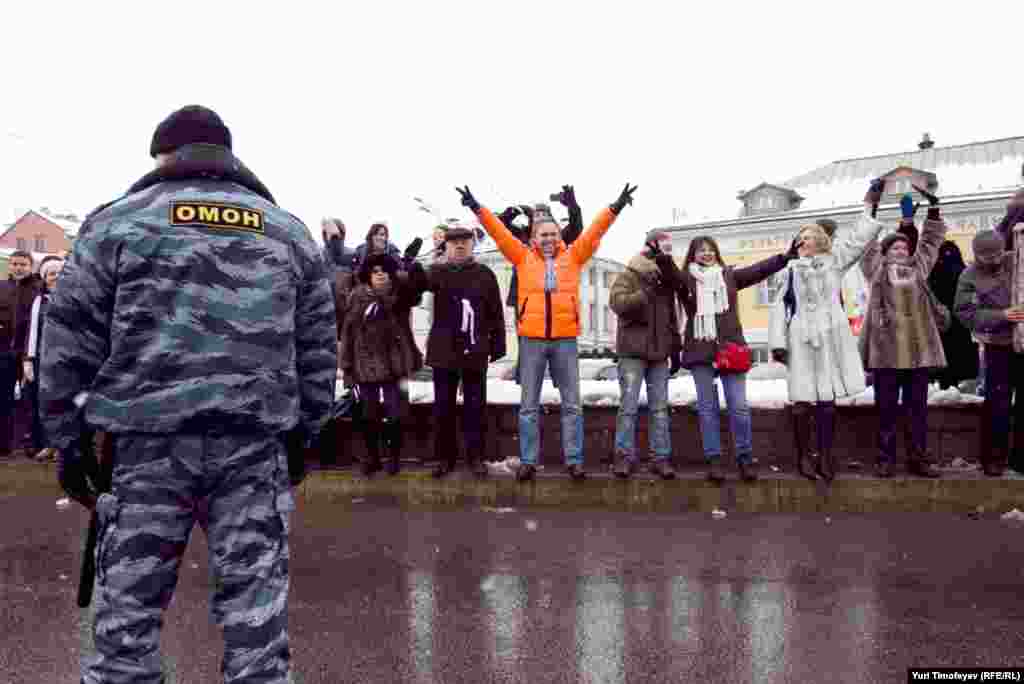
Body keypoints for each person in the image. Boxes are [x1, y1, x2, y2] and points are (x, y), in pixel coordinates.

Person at [42, 105, 338, 683]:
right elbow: (318, 348)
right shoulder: (287, 232)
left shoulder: (116, 225)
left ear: (163, 157)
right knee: (257, 631)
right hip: (253, 449)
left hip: (147, 450)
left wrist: (67, 441)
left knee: (126, 630)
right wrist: (305, 433)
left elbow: (67, 341)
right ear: (228, 158)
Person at [457, 183, 636, 482]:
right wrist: (476, 207)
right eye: (544, 234)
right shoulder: (522, 257)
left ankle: (574, 460)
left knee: (572, 404)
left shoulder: (574, 257)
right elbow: (499, 233)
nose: (549, 238)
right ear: (534, 238)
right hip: (532, 340)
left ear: (559, 236)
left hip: (565, 339)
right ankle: (528, 460)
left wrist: (614, 207)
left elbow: (594, 232)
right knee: (529, 405)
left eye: (553, 233)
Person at [770, 179, 888, 482]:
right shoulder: (789, 271)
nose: (805, 240)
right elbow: (778, 309)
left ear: (821, 241)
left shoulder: (834, 263)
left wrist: (869, 206)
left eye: (810, 236)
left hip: (829, 337)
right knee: (801, 402)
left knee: (826, 402)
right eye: (801, 237)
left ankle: (825, 454)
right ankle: (803, 457)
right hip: (799, 339)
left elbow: (858, 240)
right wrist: (777, 344)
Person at [661, 233, 796, 482]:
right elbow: (669, 273)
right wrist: (662, 256)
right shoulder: (686, 280)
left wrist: (784, 258)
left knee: (739, 407)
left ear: (716, 253)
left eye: (710, 249)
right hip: (701, 350)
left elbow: (758, 271)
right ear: (692, 254)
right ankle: (714, 460)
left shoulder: (729, 276)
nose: (706, 253)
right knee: (707, 409)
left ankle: (745, 458)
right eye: (700, 250)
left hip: (730, 349)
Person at [859, 183, 948, 479]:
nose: (901, 249)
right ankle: (885, 459)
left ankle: (918, 458)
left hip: (917, 354)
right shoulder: (877, 271)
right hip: (886, 355)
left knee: (917, 411)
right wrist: (872, 205)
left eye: (904, 246)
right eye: (895, 246)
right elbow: (865, 244)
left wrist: (933, 208)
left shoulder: (918, 269)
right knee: (886, 411)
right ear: (885, 252)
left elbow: (931, 243)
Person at [408, 225, 506, 478]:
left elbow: (495, 311)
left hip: (475, 349)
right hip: (444, 350)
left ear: (472, 245)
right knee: (443, 408)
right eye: (454, 242)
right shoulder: (437, 272)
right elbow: (415, 287)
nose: (460, 246)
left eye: (464, 241)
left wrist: (497, 345)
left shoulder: (485, 274)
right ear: (446, 247)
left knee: (476, 407)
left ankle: (476, 457)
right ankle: (444, 458)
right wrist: (412, 265)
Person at [339, 243, 424, 476]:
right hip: (365, 366)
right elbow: (347, 333)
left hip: (395, 366)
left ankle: (394, 458)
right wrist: (346, 368)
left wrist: (407, 265)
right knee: (368, 415)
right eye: (375, 271)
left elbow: (415, 291)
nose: (380, 274)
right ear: (368, 274)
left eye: (384, 271)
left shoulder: (400, 296)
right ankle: (373, 458)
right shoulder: (356, 297)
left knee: (396, 414)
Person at [607, 230, 683, 480]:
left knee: (660, 408)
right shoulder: (629, 274)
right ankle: (623, 456)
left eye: (669, 249)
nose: (666, 252)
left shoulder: (666, 279)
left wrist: (675, 348)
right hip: (632, 351)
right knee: (628, 406)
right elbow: (618, 304)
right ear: (649, 245)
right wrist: (645, 294)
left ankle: (660, 457)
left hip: (659, 352)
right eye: (663, 247)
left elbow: (672, 316)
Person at [954, 229, 1022, 476]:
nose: (993, 260)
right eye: (987, 257)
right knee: (997, 403)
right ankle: (993, 458)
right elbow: (966, 313)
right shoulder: (968, 277)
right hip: (998, 345)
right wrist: (1001, 316)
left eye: (997, 255)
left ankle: (1020, 459)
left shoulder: (1017, 260)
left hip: (1023, 343)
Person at [0, 249, 42, 458]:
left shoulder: (38, 289)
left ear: (31, 266)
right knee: (3, 398)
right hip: (4, 352)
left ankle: (31, 443)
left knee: (29, 399)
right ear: (10, 265)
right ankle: (3, 444)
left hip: (29, 354)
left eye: (23, 264)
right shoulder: (1, 287)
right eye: (15, 264)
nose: (18, 268)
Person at [22, 255, 63, 461]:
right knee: (44, 403)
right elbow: (31, 331)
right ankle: (48, 443)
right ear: (44, 277)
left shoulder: (75, 298)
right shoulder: (39, 301)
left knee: (64, 403)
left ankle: (62, 446)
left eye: (59, 272)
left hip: (67, 360)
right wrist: (28, 359)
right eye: (51, 273)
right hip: (42, 359)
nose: (55, 277)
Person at [928, 240, 978, 389]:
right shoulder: (965, 271)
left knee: (945, 366)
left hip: (941, 325)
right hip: (960, 326)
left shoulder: (933, 273)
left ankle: (946, 388)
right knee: (958, 363)